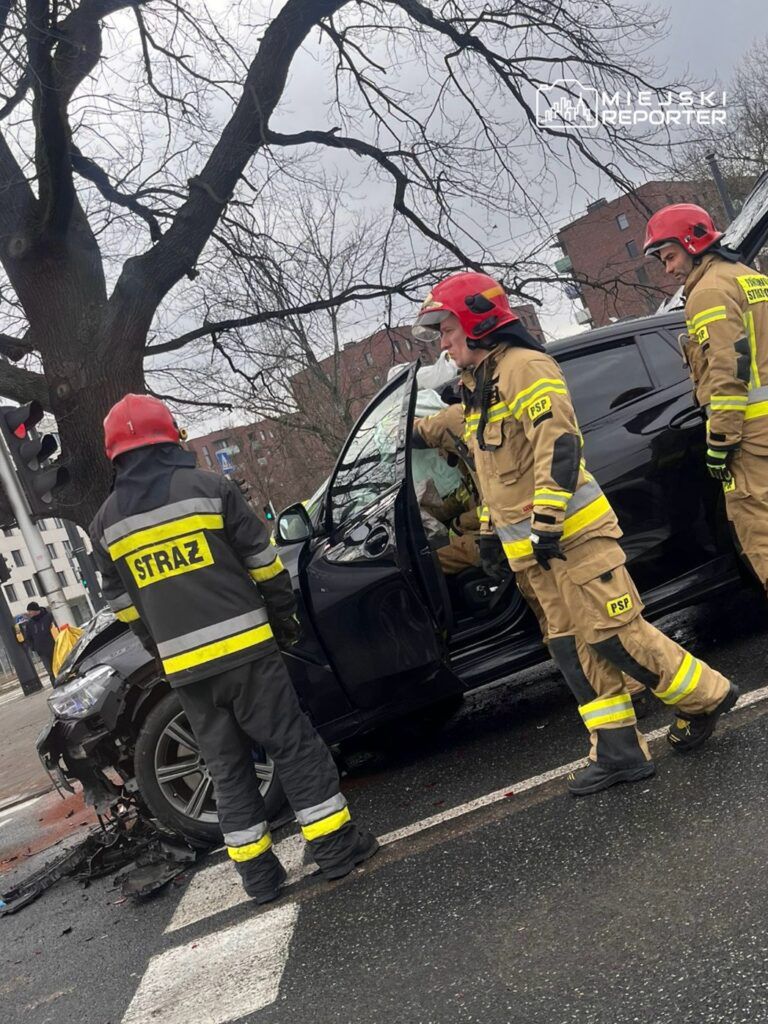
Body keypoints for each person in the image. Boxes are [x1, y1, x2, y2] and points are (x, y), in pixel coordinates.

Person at [412, 271, 739, 794]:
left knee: (617, 639)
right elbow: (498, 473)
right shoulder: (481, 387)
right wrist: (496, 535)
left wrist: (543, 526)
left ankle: (706, 696)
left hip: (573, 541)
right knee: (574, 650)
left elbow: (559, 448)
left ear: (475, 321)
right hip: (537, 557)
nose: (444, 343)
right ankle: (618, 751)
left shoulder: (525, 368)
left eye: (447, 329)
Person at [89, 394, 377, 903]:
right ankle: (335, 850)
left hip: (185, 671)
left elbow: (121, 603)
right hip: (248, 654)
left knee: (226, 767)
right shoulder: (209, 488)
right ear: (171, 439)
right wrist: (282, 616)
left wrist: (160, 646)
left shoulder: (107, 522)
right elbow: (264, 563)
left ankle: (259, 879)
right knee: (293, 746)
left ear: (116, 455)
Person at [644, 203, 768, 594]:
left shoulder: (708, 293)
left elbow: (727, 371)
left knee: (760, 535)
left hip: (751, 437)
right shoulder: (748, 277)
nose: (668, 270)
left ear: (691, 243)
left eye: (670, 256)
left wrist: (720, 440)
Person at [22, 601, 57, 682]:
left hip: (54, 648)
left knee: (58, 666)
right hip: (42, 651)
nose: (29, 613)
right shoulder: (30, 623)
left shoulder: (48, 617)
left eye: (30, 611)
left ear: (35, 610)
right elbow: (28, 637)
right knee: (50, 671)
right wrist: (34, 647)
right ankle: (55, 684)